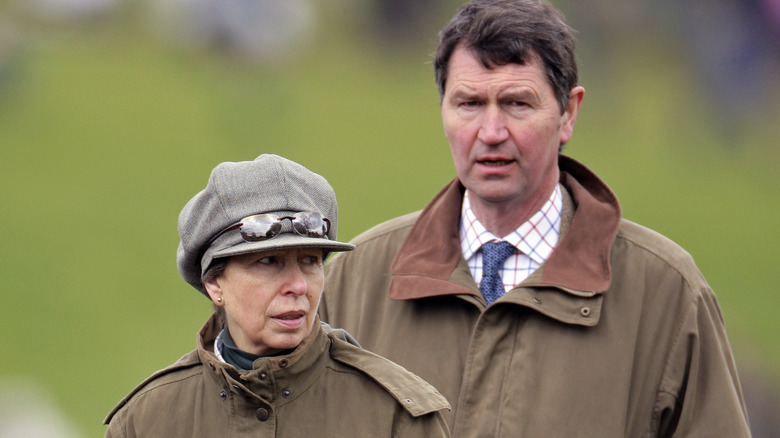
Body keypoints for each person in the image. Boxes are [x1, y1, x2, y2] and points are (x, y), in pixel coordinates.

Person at [319, 1, 752, 436]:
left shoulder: (666, 293)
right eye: (468, 103)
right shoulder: (356, 279)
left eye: (516, 103)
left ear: (569, 114)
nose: (490, 132)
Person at [103, 154, 451, 437]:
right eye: (268, 261)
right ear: (214, 284)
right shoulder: (145, 421)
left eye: (310, 261)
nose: (298, 285)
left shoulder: (398, 416)